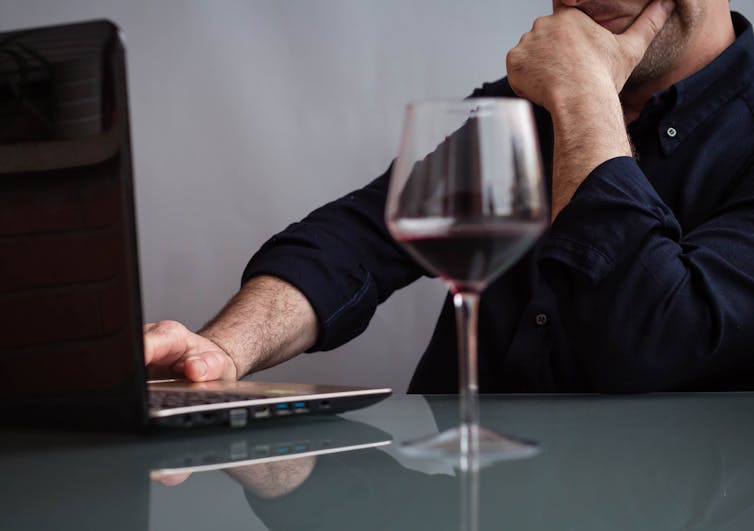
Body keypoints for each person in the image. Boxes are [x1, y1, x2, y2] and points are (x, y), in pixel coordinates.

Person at [145, 0, 754, 393]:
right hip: (462, 489)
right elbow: (364, 236)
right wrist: (225, 348)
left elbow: (661, 339)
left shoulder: (565, 95)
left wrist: (581, 98)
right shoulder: (520, 110)